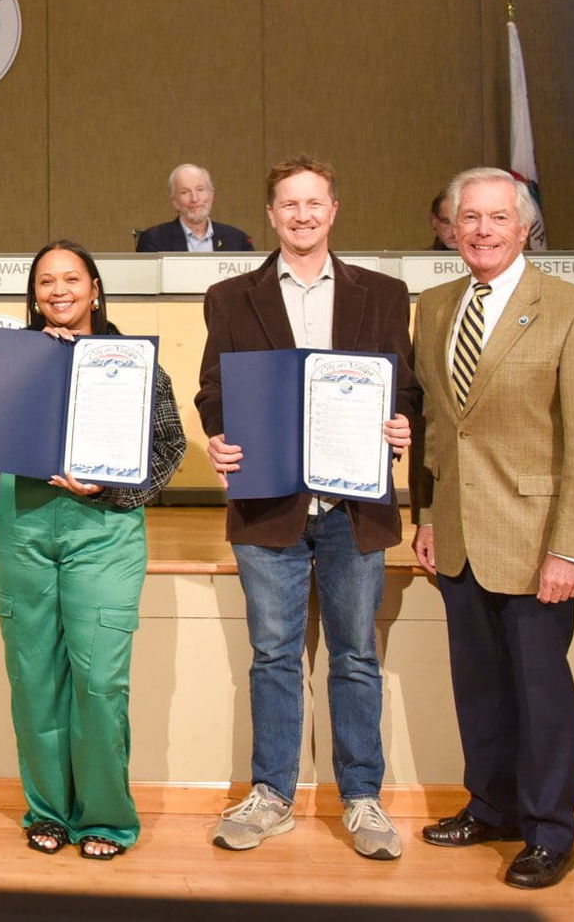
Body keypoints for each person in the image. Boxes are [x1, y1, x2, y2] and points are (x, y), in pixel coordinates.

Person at [197, 155, 418, 861]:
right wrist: (217, 438)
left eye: (313, 202)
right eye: (288, 204)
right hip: (269, 506)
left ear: (333, 208)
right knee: (273, 655)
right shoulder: (232, 296)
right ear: (271, 214)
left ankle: (362, 797)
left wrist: (401, 422)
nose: (301, 214)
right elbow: (214, 390)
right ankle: (272, 794)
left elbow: (403, 387)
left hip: (355, 507)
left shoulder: (382, 292)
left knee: (355, 655)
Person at [411, 168, 574, 891]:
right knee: (479, 685)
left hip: (537, 541)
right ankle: (492, 804)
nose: (482, 230)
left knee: (540, 691)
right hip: (461, 536)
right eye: (469, 217)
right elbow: (443, 427)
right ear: (451, 225)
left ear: (524, 226)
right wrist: (432, 517)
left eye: (497, 217)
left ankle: (548, 832)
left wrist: (570, 547)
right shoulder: (435, 308)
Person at [0, 241, 185, 860]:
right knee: (34, 678)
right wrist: (20, 364)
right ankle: (47, 810)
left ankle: (106, 819)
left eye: (71, 279)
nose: (58, 291)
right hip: (20, 526)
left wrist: (114, 482)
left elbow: (168, 444)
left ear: (96, 289)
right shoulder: (15, 352)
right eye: (45, 282)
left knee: (100, 680)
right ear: (34, 295)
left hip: (103, 530)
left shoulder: (131, 361)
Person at [134, 163, 255, 252]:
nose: (195, 199)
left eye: (200, 190)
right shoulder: (154, 239)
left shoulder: (237, 240)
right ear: (175, 202)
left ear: (211, 195)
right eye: (185, 192)